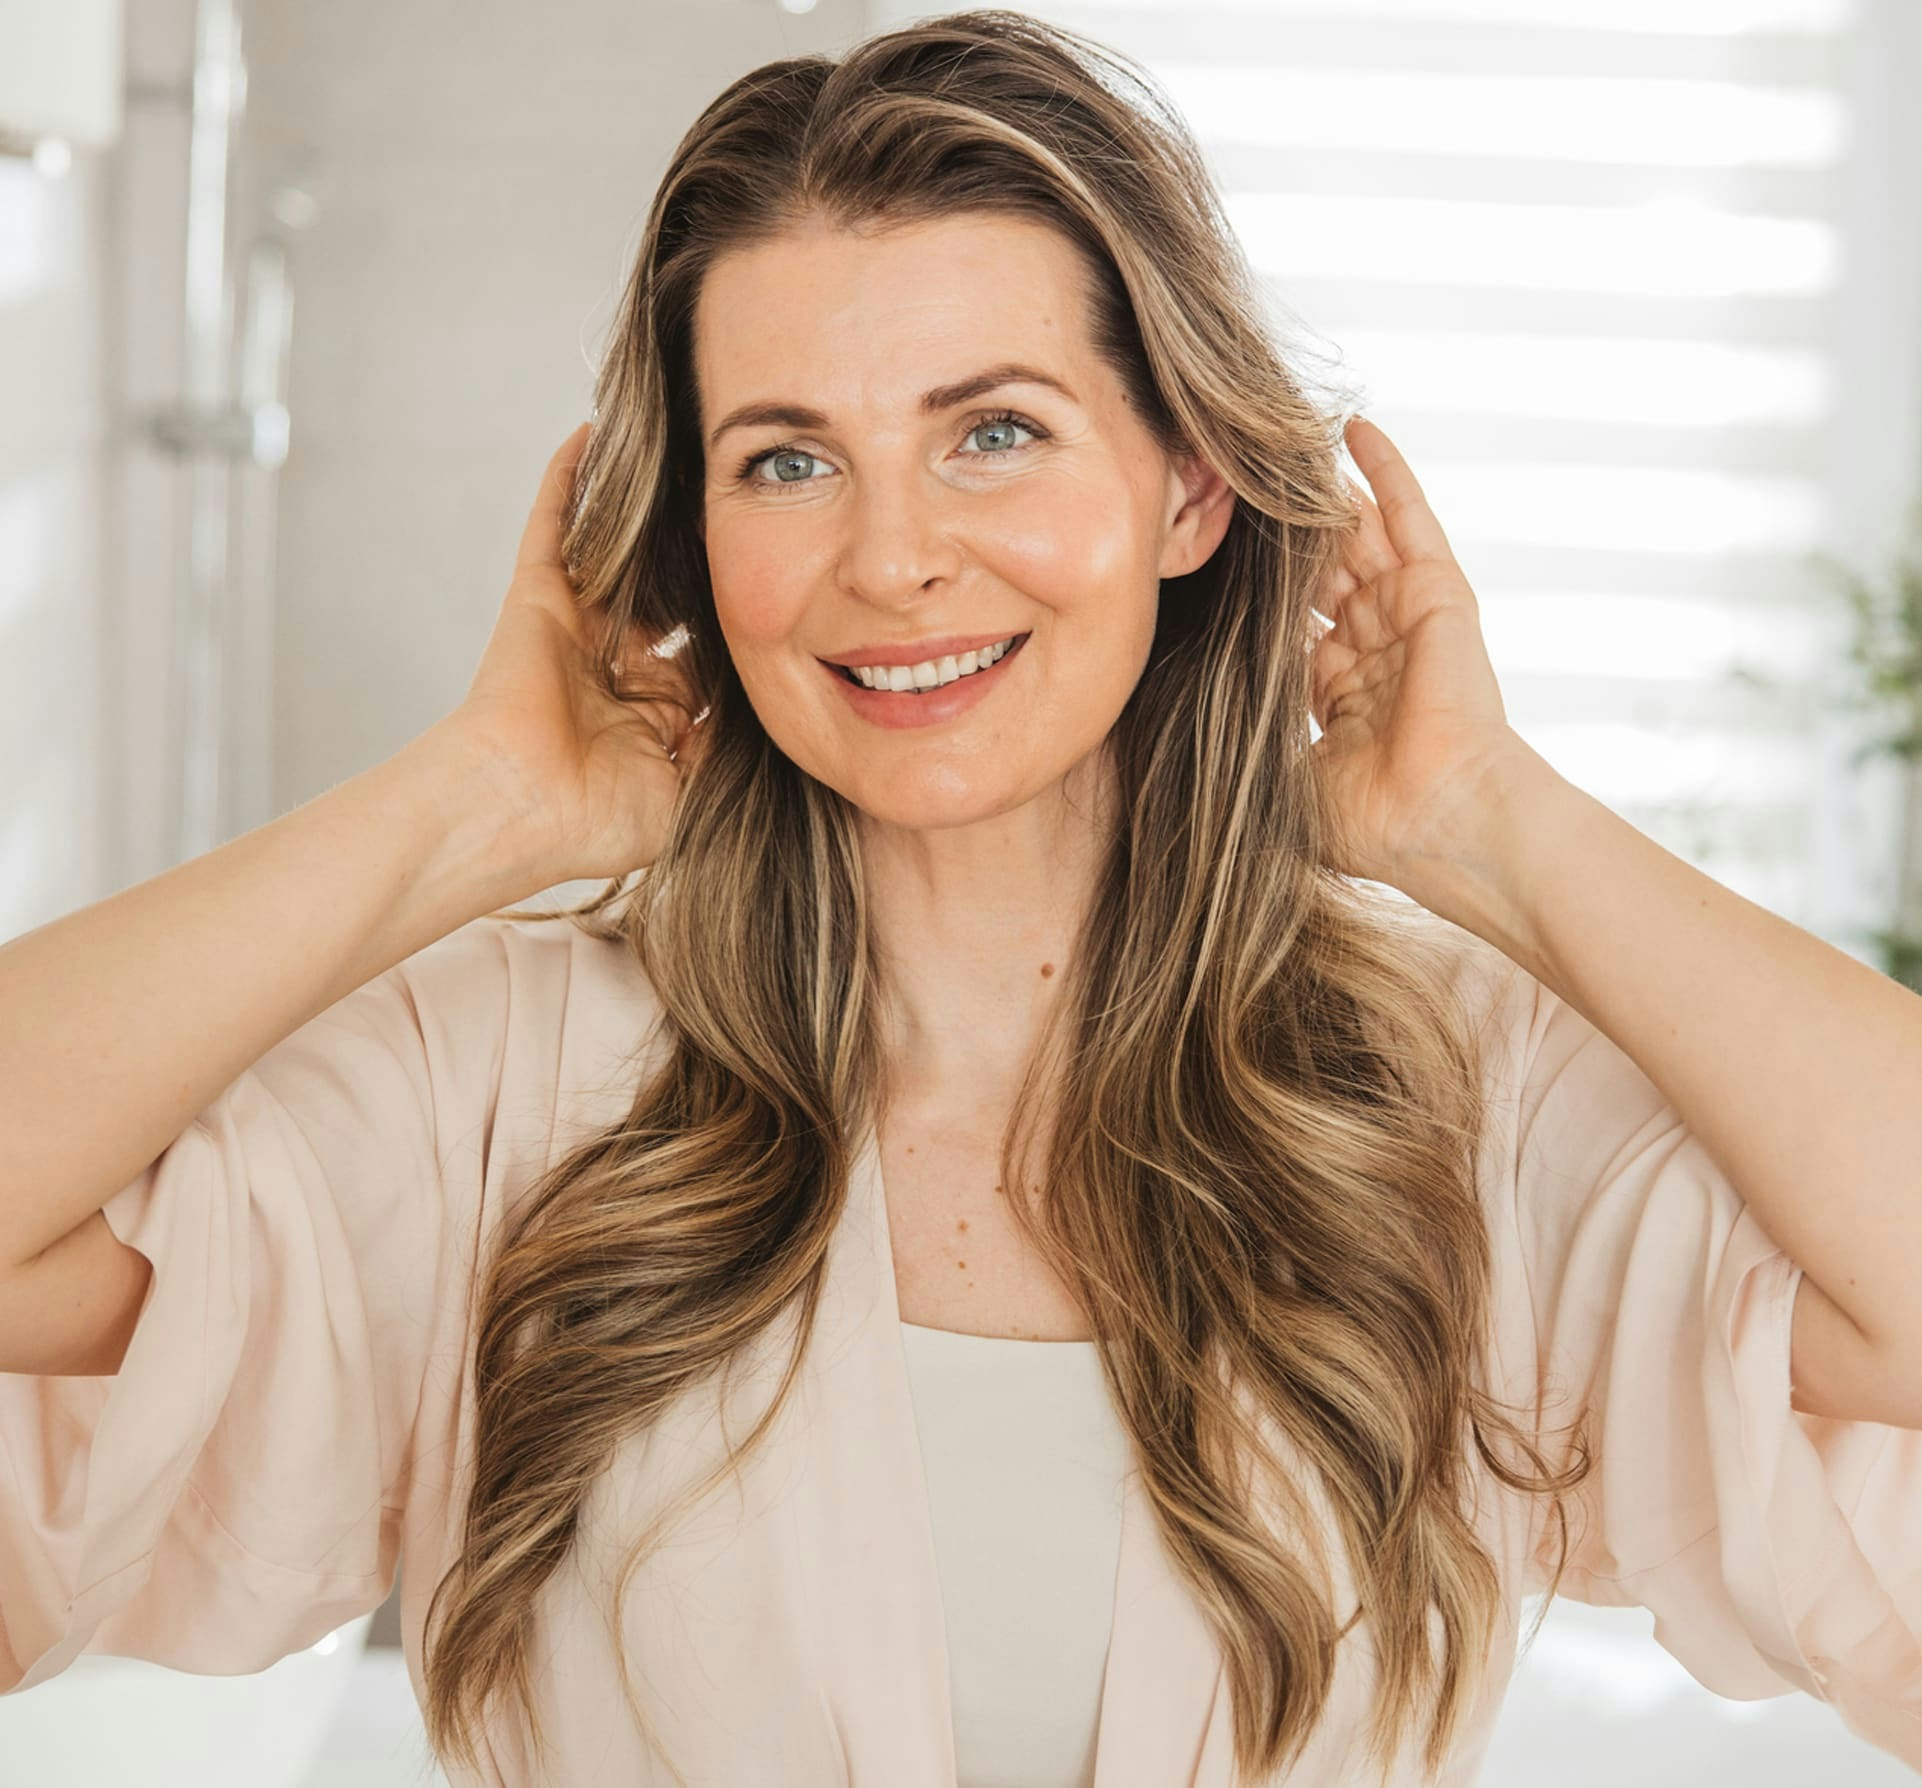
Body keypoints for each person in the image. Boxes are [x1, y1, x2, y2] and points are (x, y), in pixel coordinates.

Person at [4, 10, 1920, 1787]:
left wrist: (1491, 824)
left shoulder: (1446, 1100)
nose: (891, 557)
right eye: (787, 460)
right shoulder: (509, 1081)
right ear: (698, 534)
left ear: (1187, 490)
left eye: (991, 430)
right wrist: (475, 803)